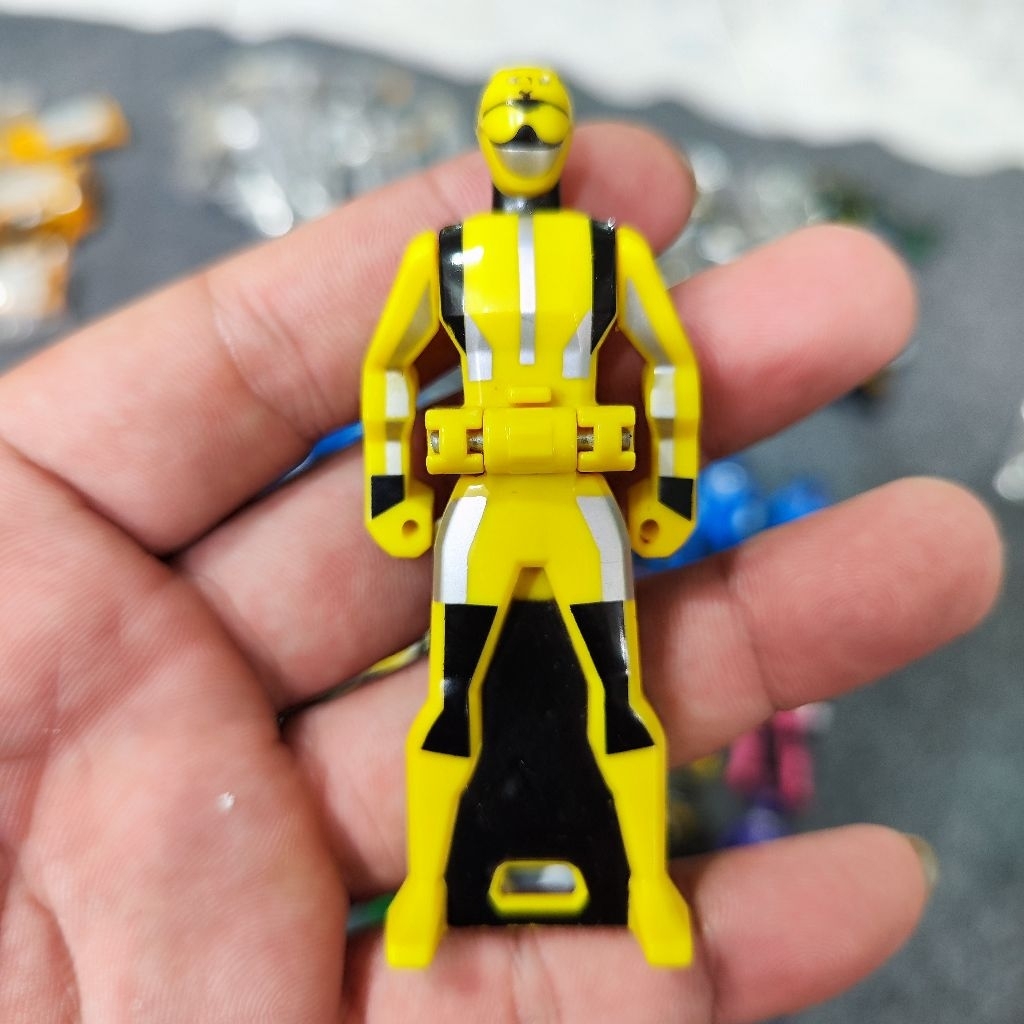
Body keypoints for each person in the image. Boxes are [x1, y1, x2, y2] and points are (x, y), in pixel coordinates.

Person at [0, 120, 1002, 1022]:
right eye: (509, 112)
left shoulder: (605, 251)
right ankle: (432, 880)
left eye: (540, 112)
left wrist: (666, 480)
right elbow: (391, 367)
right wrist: (393, 481)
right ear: (488, 134)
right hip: (481, 503)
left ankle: (641, 878)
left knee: (614, 691)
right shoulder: (448, 255)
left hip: (578, 499)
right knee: (455, 692)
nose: (525, 121)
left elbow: (664, 363)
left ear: (558, 135)